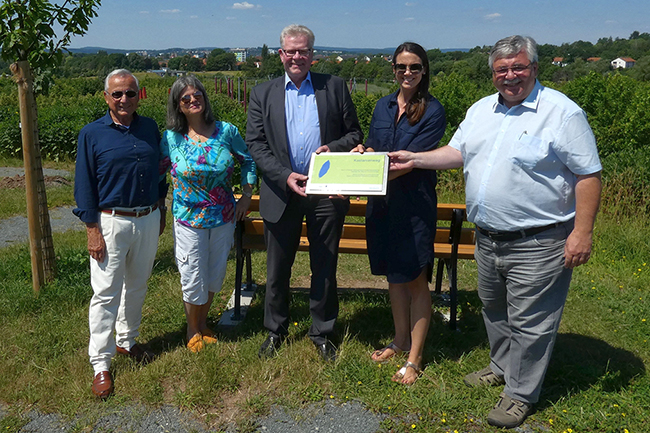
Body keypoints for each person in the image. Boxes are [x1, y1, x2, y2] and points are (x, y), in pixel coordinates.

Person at [389, 35, 602, 428]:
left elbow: (588, 174)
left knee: (531, 322)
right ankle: (501, 367)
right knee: (496, 310)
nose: (510, 76)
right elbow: (458, 153)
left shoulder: (561, 113)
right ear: (493, 74)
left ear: (534, 69)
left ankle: (520, 394)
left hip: (539, 240)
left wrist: (582, 232)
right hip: (488, 236)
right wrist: (415, 159)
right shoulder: (482, 110)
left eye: (519, 67)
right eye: (502, 70)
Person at [246, 24, 363, 362]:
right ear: (281, 54)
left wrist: (333, 146)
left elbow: (354, 134)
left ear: (313, 54)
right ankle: (275, 330)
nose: (297, 56)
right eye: (290, 51)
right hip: (282, 192)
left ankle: (323, 331)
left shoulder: (335, 87)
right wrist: (285, 177)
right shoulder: (263, 93)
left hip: (326, 193)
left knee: (324, 265)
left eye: (303, 51)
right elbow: (256, 143)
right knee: (277, 269)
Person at [351, 42, 445, 384]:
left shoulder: (433, 111)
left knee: (416, 278)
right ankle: (400, 339)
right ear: (393, 70)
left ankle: (415, 358)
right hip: (383, 203)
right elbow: (378, 147)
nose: (408, 73)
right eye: (402, 67)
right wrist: (363, 153)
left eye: (415, 67)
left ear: (424, 71)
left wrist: (358, 176)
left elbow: (408, 162)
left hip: (414, 205)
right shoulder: (382, 105)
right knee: (393, 273)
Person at [74, 69, 168, 399]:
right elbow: (84, 184)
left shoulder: (150, 128)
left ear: (138, 96)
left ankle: (128, 341)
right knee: (105, 293)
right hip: (110, 222)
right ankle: (101, 363)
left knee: (138, 285)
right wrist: (91, 230)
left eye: (130, 93)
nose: (124, 99)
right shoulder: (92, 134)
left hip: (147, 217)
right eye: (117, 94)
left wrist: (161, 206)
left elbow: (159, 171)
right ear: (106, 97)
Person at [160, 76, 256, 353]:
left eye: (197, 95)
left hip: (224, 216)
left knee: (214, 273)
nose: (193, 101)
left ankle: (203, 324)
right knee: (192, 274)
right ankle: (192, 329)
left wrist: (246, 196)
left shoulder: (226, 131)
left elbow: (247, 160)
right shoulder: (170, 138)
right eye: (186, 98)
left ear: (205, 97)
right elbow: (156, 171)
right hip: (188, 219)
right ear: (178, 106)